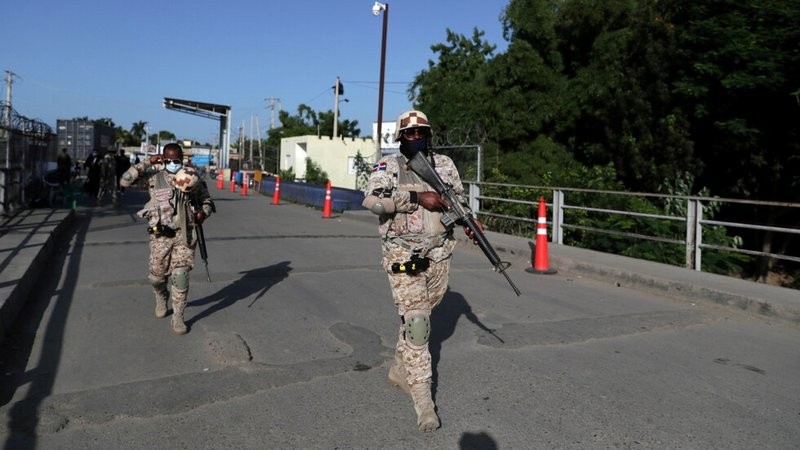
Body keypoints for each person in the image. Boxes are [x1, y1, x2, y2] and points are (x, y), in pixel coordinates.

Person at [362, 110, 482, 432]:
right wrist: (417, 198)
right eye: (409, 133)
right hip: (403, 255)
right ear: (400, 137)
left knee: (419, 318)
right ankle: (424, 402)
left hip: (439, 255)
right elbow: (373, 202)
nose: (415, 138)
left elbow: (457, 199)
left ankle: (400, 369)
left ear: (428, 135)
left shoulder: (444, 165)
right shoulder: (388, 166)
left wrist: (470, 221)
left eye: (421, 133)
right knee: (417, 324)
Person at [120, 143, 215, 335]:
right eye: (168, 160)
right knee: (156, 277)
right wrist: (147, 162)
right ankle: (161, 295)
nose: (173, 163)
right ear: (163, 159)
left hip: (185, 234)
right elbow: (125, 181)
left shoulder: (191, 177)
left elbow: (207, 200)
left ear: (182, 159)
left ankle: (178, 316)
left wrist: (203, 213)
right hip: (160, 236)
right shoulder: (154, 177)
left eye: (176, 160)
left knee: (180, 276)